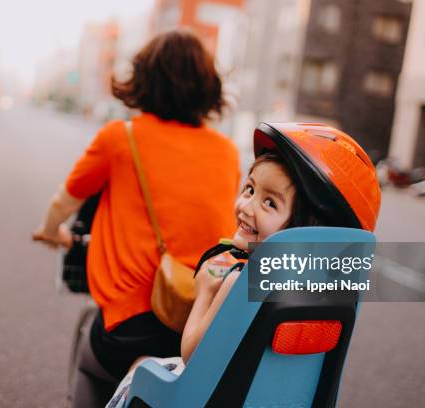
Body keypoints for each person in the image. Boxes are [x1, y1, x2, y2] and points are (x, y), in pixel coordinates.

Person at [32, 29, 240, 407]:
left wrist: (50, 232)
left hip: (130, 329)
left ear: (143, 80)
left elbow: (65, 202)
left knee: (90, 364)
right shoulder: (227, 152)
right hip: (202, 330)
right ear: (208, 88)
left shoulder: (120, 138)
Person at [106, 122, 382, 407]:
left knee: (142, 365)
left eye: (270, 203)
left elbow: (192, 354)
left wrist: (205, 292)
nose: (245, 206)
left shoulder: (239, 281)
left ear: (305, 225)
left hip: (208, 398)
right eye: (249, 190)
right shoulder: (335, 290)